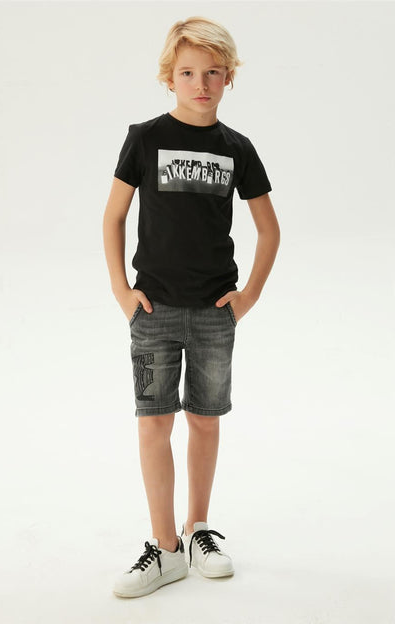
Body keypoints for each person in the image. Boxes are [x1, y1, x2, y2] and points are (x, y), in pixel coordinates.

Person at [103, 16, 280, 599]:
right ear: (168, 77)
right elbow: (113, 216)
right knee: (154, 422)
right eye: (187, 73)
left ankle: (197, 527)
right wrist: (121, 291)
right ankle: (165, 549)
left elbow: (269, 229)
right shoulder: (144, 138)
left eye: (212, 73)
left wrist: (247, 297)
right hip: (152, 311)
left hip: (213, 314)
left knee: (205, 419)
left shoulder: (237, 148)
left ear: (228, 77)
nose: (200, 84)